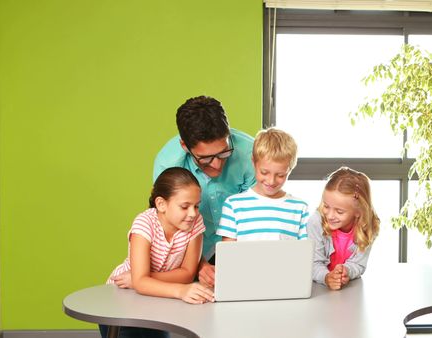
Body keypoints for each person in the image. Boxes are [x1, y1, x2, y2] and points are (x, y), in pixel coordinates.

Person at [153, 96, 255, 287]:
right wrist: (198, 264)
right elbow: (169, 225)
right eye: (206, 158)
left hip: (241, 247)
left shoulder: (252, 155)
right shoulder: (167, 165)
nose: (217, 165)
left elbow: (256, 216)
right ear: (185, 146)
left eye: (224, 152)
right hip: (187, 253)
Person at [101, 167, 214, 338]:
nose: (192, 213)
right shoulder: (144, 223)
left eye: (196, 206)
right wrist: (180, 291)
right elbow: (140, 283)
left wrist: (141, 280)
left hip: (157, 298)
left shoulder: (195, 223)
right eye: (185, 207)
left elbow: (187, 274)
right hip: (123, 297)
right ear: (161, 204)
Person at [216, 127, 308, 241]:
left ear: (290, 169)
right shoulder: (233, 205)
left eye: (280, 175)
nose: (271, 181)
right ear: (253, 162)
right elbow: (228, 254)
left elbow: (304, 253)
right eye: (264, 172)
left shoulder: (300, 208)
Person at [308, 167, 380, 290]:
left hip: (349, 290)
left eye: (339, 211)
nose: (330, 215)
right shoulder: (316, 222)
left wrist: (346, 271)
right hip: (319, 288)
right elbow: (314, 263)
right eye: (326, 206)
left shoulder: (367, 227)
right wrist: (327, 277)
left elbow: (358, 264)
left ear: (358, 211)